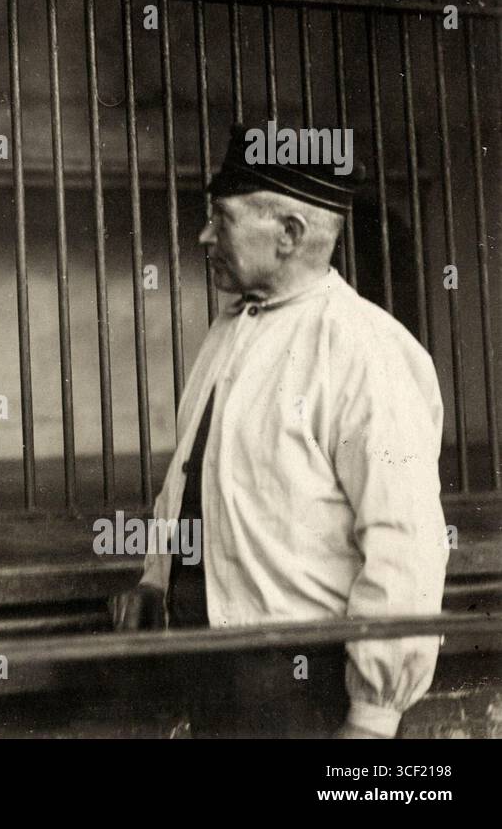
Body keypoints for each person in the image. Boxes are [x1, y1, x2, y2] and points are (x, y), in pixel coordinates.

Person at [112, 125, 449, 739]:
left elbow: (405, 545)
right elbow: (195, 475)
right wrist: (155, 578)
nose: (204, 235)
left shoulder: (365, 352)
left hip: (301, 690)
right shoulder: (234, 328)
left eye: (222, 217)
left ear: (289, 234)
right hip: (213, 670)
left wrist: (373, 719)